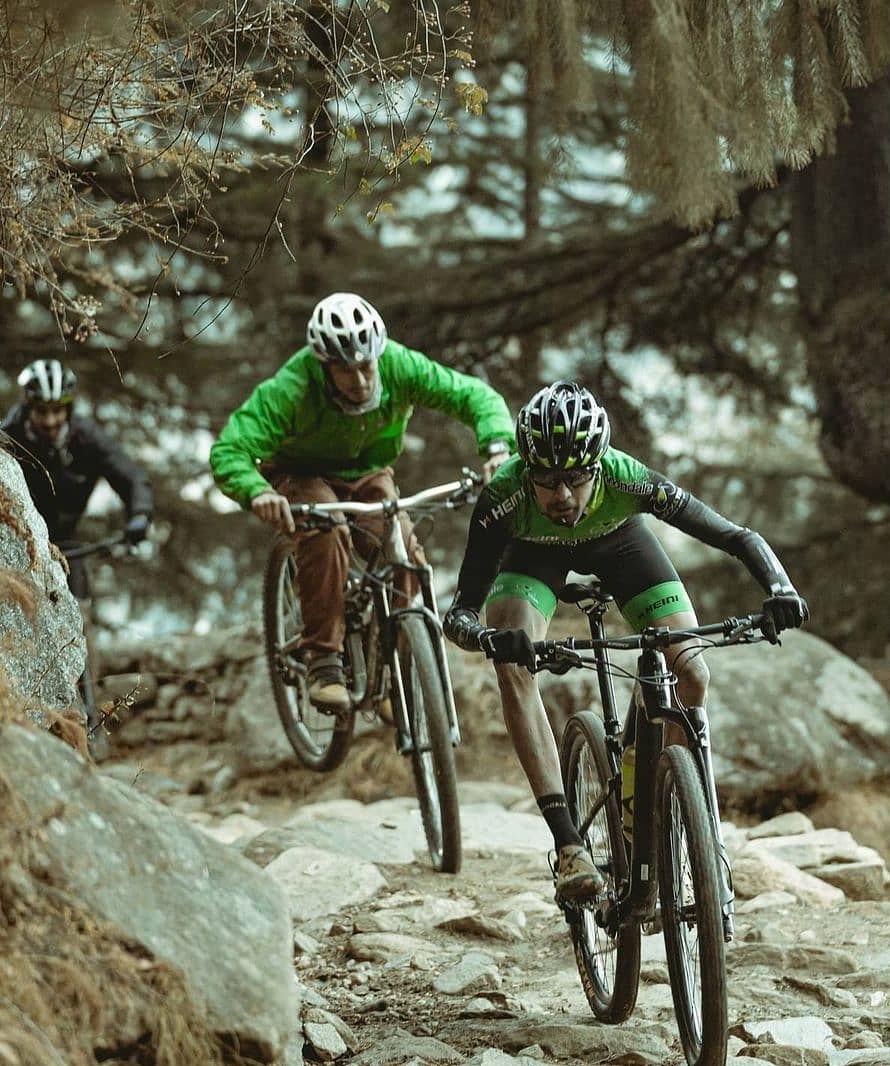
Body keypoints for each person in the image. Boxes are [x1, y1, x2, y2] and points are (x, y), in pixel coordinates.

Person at [443, 380, 809, 903]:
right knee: (515, 665)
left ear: (597, 466)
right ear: (527, 469)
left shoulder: (628, 479)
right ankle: (569, 845)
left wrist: (780, 588)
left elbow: (736, 536)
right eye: (546, 479)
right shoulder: (504, 496)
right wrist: (488, 638)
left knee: (690, 672)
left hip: (619, 544)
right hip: (533, 557)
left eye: (574, 478)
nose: (562, 495)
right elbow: (459, 612)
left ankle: (663, 803)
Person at [209, 292, 515, 711]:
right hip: (301, 472)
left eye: (366, 366)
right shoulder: (292, 387)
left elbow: (473, 396)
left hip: (369, 472)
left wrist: (497, 446)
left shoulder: (399, 365)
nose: (360, 381)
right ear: (323, 365)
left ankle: (391, 671)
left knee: (405, 552)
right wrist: (256, 490)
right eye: (344, 370)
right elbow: (230, 449)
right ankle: (324, 660)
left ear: (378, 354)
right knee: (326, 528)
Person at [2, 358, 154, 759]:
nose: (50, 420)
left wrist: (138, 516)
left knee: (80, 624)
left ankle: (88, 722)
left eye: (58, 410)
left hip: (68, 547)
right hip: (19, 547)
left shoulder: (86, 438)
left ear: (69, 408)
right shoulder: (8, 438)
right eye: (42, 411)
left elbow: (131, 475)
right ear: (29, 408)